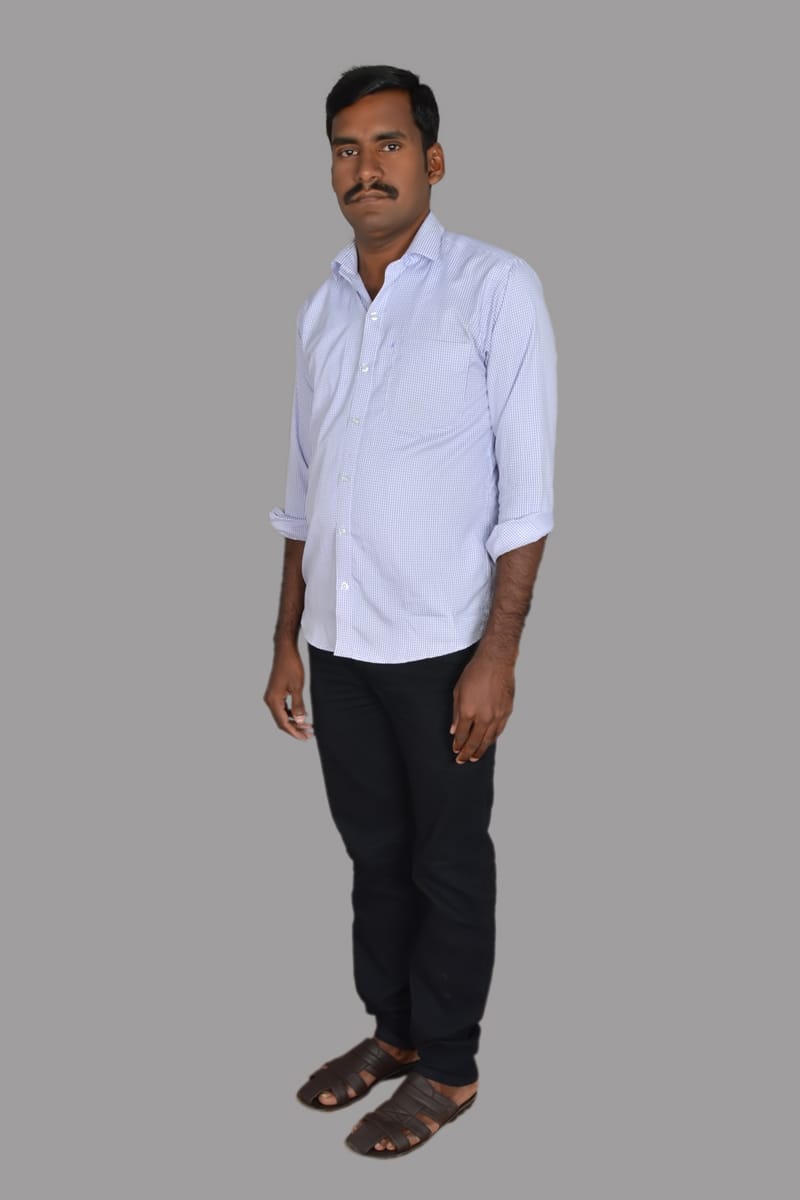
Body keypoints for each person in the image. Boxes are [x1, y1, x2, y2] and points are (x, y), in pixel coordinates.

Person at [264, 64, 557, 1158]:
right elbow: (304, 492)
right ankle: (392, 1032)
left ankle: (451, 1066)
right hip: (339, 646)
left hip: (442, 648)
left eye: (387, 145)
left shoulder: (494, 288)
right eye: (345, 149)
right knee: (373, 855)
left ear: (432, 160)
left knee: (447, 862)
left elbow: (526, 495)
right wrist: (284, 640)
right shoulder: (322, 309)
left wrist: (498, 656)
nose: (365, 168)